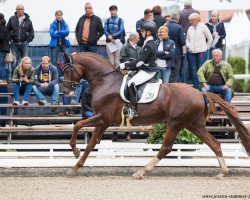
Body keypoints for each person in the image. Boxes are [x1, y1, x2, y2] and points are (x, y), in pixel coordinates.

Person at [119, 21, 158, 118]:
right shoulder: (149, 42)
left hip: (148, 70)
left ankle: (133, 109)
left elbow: (139, 63)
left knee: (131, 83)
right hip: (146, 68)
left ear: (148, 32)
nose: (141, 33)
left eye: (143, 31)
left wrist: (125, 65)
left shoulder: (149, 44)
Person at [186, 13, 213, 89]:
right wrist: (189, 46)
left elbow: (210, 38)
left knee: (200, 71)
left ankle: (202, 88)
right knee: (193, 71)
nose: (190, 22)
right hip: (191, 53)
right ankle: (195, 88)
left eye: (192, 20)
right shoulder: (189, 28)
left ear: (196, 20)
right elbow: (187, 40)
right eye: (190, 20)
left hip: (201, 52)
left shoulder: (203, 27)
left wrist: (206, 49)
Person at [6, 4, 34, 75]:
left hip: (24, 43)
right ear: (16, 10)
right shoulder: (12, 19)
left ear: (24, 10)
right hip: (14, 43)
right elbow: (7, 30)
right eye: (19, 9)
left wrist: (28, 41)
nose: (20, 10)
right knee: (14, 61)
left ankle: (25, 78)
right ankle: (14, 77)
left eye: (22, 9)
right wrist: (10, 39)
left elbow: (31, 32)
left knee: (25, 61)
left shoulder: (28, 21)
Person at [166, 12, 186, 83]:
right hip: (177, 54)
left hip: (166, 54)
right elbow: (183, 42)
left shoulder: (165, 26)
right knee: (174, 74)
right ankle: (172, 90)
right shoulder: (179, 27)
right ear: (178, 19)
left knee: (166, 73)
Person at [0, 13, 10, 85]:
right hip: (3, 49)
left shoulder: (2, 28)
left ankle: (3, 79)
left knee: (0, 64)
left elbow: (1, 38)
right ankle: (3, 79)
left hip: (2, 49)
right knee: (1, 64)